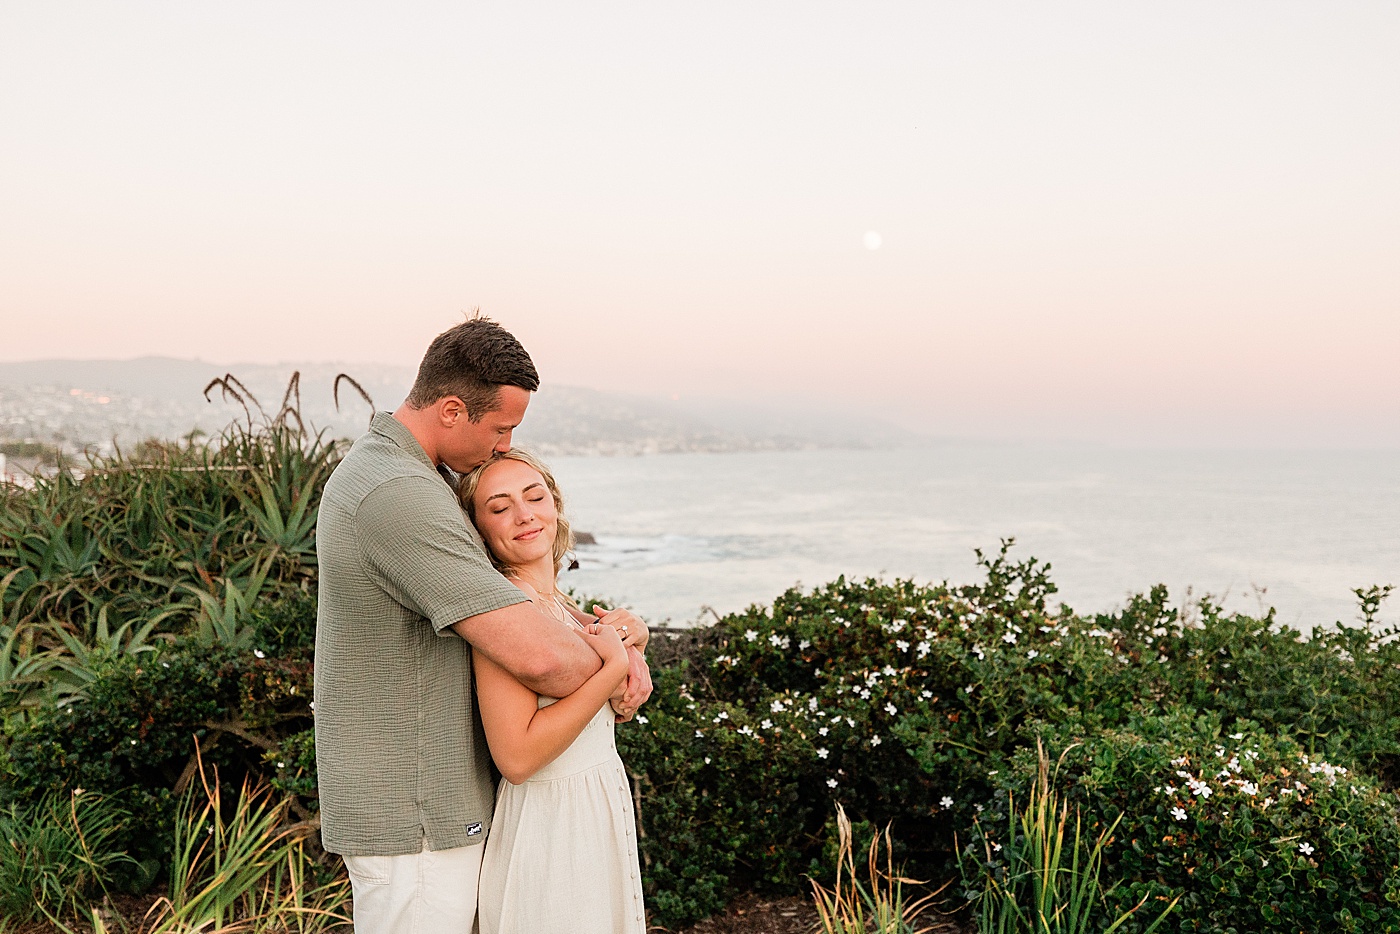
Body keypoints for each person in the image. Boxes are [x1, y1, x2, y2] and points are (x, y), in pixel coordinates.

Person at [313, 316, 652, 934]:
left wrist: (626, 640)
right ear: (450, 410)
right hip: (413, 814)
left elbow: (545, 618)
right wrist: (616, 663)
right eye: (501, 429)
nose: (503, 446)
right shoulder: (395, 492)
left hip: (432, 805)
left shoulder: (409, 479)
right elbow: (541, 657)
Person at [459, 449, 646, 934]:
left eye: (535, 496)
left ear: (555, 505)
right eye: (499, 508)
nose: (523, 515)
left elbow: (612, 689)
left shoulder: (555, 600)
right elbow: (517, 758)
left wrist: (634, 638)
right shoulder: (505, 611)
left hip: (593, 809)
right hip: (551, 827)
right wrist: (612, 669)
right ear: (479, 531)